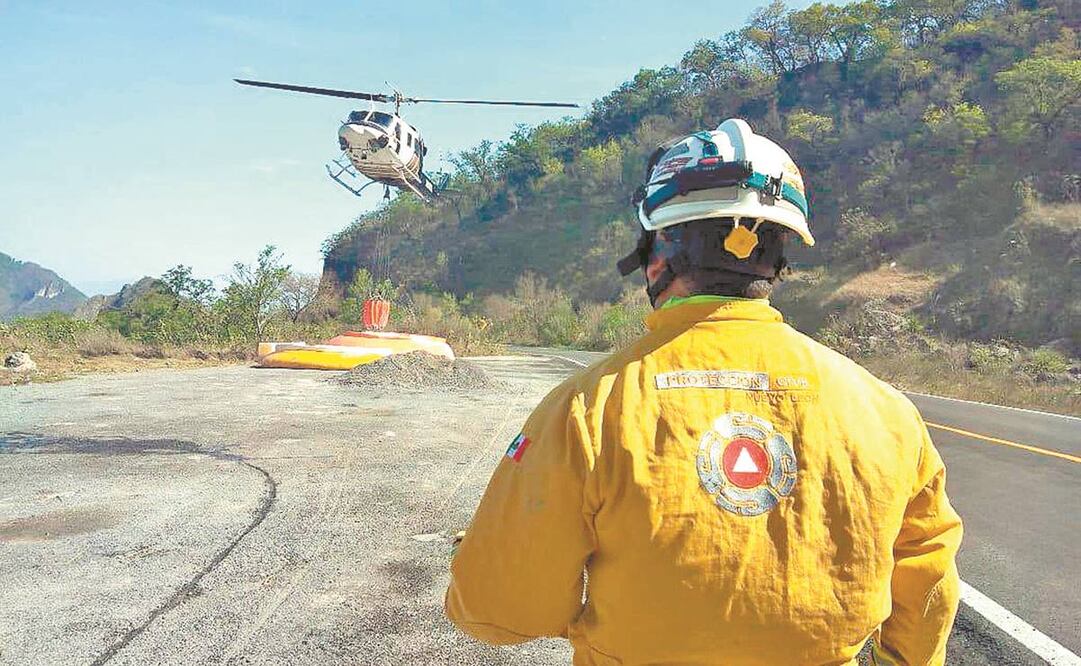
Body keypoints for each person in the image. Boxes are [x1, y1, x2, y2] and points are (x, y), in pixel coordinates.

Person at [445, 119, 963, 665]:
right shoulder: (885, 412)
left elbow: (499, 610)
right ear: (780, 254)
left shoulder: (587, 409)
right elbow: (928, 581)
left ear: (659, 255)